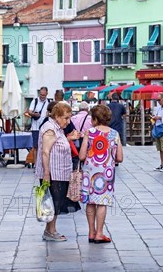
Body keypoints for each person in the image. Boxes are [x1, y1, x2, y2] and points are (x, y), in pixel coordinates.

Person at [36, 102, 81, 241]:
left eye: (69, 118)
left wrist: (69, 139)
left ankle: (49, 230)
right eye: (65, 118)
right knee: (54, 202)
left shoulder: (57, 128)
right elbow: (45, 152)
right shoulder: (50, 129)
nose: (68, 122)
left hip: (60, 172)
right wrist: (46, 174)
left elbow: (58, 143)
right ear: (56, 116)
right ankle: (50, 231)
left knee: (56, 202)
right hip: (53, 172)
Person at [79, 104, 123, 244]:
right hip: (105, 172)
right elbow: (120, 158)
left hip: (89, 171)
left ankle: (91, 233)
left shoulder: (89, 132)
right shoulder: (114, 134)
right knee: (102, 202)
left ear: (95, 119)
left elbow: (81, 156)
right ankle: (99, 233)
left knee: (90, 202)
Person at [26, 87, 49, 165]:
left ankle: (43, 164)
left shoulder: (48, 102)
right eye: (41, 94)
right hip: (35, 127)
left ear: (47, 94)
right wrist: (34, 114)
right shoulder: (34, 101)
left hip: (45, 128)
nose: (42, 96)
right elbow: (29, 111)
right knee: (35, 147)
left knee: (44, 147)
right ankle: (36, 164)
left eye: (44, 95)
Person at [70, 102, 93, 169]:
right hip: (87, 141)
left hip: (75, 140)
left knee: (76, 158)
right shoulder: (91, 119)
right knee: (86, 158)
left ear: (79, 109)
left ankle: (76, 173)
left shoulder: (73, 118)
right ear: (88, 109)